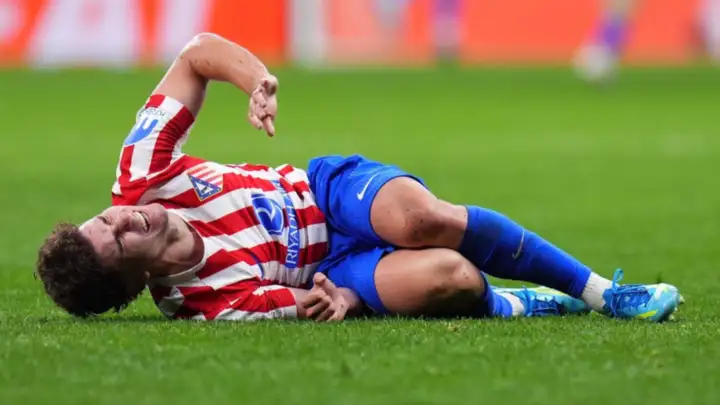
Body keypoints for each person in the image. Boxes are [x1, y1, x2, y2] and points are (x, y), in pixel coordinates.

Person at [36, 33, 683, 322]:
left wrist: (256, 80)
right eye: (120, 240)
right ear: (136, 281)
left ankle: (602, 293)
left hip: (325, 192)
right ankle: (520, 301)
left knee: (421, 220)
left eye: (106, 218)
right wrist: (339, 301)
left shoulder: (140, 172)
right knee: (452, 279)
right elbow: (305, 305)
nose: (126, 217)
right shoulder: (207, 304)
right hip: (337, 268)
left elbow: (195, 54)